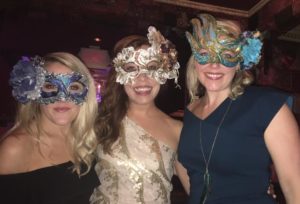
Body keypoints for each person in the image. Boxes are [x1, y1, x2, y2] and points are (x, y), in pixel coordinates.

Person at [176, 13, 300, 204]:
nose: (214, 65)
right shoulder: (190, 111)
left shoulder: (266, 107)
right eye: (205, 54)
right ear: (195, 60)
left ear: (239, 61)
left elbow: (294, 186)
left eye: (226, 55)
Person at [90, 26, 182, 204]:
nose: (142, 79)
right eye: (131, 68)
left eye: (152, 67)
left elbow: (198, 188)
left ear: (164, 73)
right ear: (119, 74)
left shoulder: (178, 130)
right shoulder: (100, 120)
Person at [0, 52, 100, 204]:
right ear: (35, 91)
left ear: (86, 93)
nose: (62, 98)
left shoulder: (85, 140)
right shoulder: (16, 147)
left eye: (73, 87)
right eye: (50, 86)